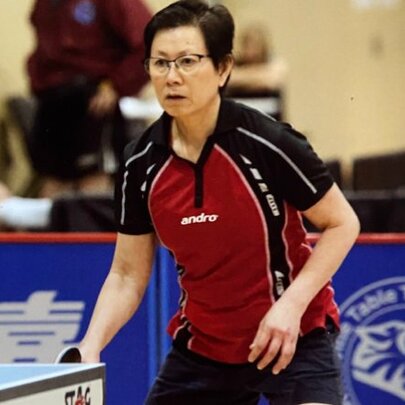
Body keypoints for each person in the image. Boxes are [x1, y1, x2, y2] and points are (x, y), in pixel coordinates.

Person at [78, 1, 360, 404]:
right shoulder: (141, 163)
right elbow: (126, 274)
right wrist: (91, 345)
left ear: (223, 68)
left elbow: (341, 223)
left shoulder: (268, 142)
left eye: (187, 61)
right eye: (160, 63)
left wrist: (290, 307)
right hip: (205, 352)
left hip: (294, 337)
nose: (172, 77)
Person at [26, 0, 152, 197]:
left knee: (92, 182)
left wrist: (116, 85)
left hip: (93, 98)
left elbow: (146, 43)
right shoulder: (44, 4)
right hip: (52, 100)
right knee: (52, 181)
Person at [226, 24, 288, 121]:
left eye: (255, 46)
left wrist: (242, 81)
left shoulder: (274, 63)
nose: (251, 51)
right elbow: (227, 78)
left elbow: (273, 80)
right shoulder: (234, 64)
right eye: (248, 45)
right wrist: (255, 78)